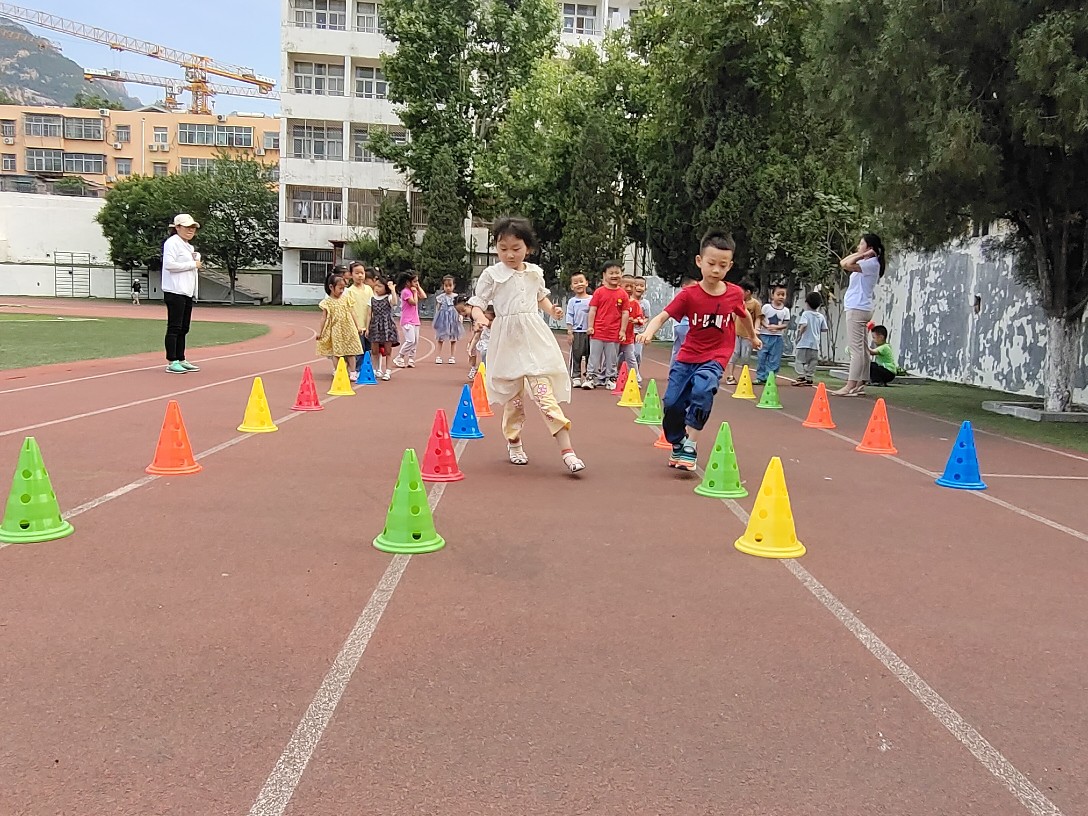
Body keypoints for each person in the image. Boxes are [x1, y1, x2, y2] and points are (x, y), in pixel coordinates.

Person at [468, 216, 585, 474]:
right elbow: (477, 303)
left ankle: (567, 451)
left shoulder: (534, 273)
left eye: (516, 248)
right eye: (503, 248)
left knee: (545, 396)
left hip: (533, 339)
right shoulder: (492, 275)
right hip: (506, 342)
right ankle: (514, 442)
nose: (509, 254)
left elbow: (541, 297)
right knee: (514, 402)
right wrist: (479, 317)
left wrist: (552, 310)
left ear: (528, 248)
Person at [637, 229, 760, 471]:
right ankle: (678, 442)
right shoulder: (689, 295)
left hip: (716, 355)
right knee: (672, 404)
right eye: (711, 263)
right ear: (699, 261)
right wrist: (648, 333)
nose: (716, 270)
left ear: (730, 266)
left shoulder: (734, 293)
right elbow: (662, 316)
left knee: (704, 390)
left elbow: (744, 314)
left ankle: (691, 444)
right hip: (688, 356)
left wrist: (753, 336)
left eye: (722, 265)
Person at [835, 233, 887, 396]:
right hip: (861, 307)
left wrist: (862, 255)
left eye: (861, 244)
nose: (858, 246)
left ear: (869, 248)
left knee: (856, 349)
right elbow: (843, 262)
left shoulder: (870, 263)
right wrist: (862, 254)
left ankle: (850, 385)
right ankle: (860, 383)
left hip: (857, 308)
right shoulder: (868, 262)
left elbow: (845, 264)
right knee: (862, 348)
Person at [162, 213, 203, 374]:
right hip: (174, 290)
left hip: (186, 291)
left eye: (193, 227)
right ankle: (172, 361)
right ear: (177, 227)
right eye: (187, 227)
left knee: (184, 327)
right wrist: (192, 264)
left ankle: (181, 358)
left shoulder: (188, 246)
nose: (190, 230)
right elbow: (169, 265)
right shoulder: (172, 243)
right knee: (175, 326)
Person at [584, 261, 629, 390]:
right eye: (611, 273)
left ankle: (611, 378)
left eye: (617, 273)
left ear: (621, 274)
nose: (614, 276)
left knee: (612, 358)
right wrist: (590, 326)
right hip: (598, 331)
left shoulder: (623, 294)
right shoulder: (599, 292)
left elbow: (625, 313)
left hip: (614, 332)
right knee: (594, 356)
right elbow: (593, 310)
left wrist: (622, 331)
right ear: (604, 275)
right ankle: (590, 377)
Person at [315, 272, 363, 373]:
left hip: (348, 329)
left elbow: (352, 313)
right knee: (336, 353)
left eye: (343, 288)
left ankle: (353, 372)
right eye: (340, 288)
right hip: (336, 330)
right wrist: (320, 332)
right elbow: (324, 318)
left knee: (351, 351)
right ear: (331, 287)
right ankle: (338, 371)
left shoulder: (346, 299)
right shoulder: (327, 302)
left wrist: (357, 326)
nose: (342, 291)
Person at [726, 280, 760, 384]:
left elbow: (758, 318)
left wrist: (755, 330)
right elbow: (733, 316)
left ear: (748, 292)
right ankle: (730, 376)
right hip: (736, 333)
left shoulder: (755, 304)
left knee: (745, 357)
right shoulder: (738, 302)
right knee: (734, 354)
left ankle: (743, 377)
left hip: (748, 335)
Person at [754, 284, 790, 384]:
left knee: (775, 358)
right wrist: (767, 326)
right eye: (778, 294)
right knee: (762, 357)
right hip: (764, 336)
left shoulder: (786, 310)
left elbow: (785, 324)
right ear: (772, 295)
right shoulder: (766, 307)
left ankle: (770, 377)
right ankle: (760, 377)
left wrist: (776, 327)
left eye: (783, 295)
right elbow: (760, 318)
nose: (781, 297)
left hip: (777, 337)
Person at [792, 291, 828, 386]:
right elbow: (825, 329)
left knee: (799, 360)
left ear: (807, 303)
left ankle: (801, 376)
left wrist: (799, 335)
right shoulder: (820, 316)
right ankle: (809, 377)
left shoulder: (806, 314)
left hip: (804, 343)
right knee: (813, 361)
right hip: (815, 344)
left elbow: (804, 325)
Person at [367, 276, 399, 380]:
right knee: (374, 350)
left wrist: (393, 290)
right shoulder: (372, 299)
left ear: (385, 288)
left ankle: (388, 371)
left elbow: (395, 302)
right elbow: (369, 314)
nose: (377, 288)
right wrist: (367, 328)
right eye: (376, 286)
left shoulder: (388, 297)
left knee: (387, 350)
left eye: (380, 286)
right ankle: (375, 369)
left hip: (387, 325)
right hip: (375, 325)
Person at [346, 262, 374, 375]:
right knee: (358, 349)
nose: (360, 275)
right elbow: (350, 310)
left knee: (369, 349)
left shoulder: (368, 289)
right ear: (351, 274)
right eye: (357, 273)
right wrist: (356, 325)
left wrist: (370, 324)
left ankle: (366, 369)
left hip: (368, 325)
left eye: (362, 273)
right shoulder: (349, 291)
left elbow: (371, 307)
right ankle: (357, 370)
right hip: (356, 326)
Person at [564, 273, 592, 387]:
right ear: (572, 287)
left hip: (590, 332)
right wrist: (570, 332)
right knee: (576, 355)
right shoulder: (572, 301)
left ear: (586, 283)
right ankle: (576, 376)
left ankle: (589, 376)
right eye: (575, 283)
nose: (579, 284)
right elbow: (569, 316)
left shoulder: (592, 299)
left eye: (581, 281)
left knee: (591, 355)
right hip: (577, 332)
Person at [394, 271, 426, 368]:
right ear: (408, 282)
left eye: (417, 281)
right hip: (407, 320)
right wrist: (415, 292)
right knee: (410, 340)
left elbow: (424, 296)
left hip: (415, 320)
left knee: (415, 341)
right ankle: (399, 357)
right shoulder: (405, 292)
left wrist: (418, 288)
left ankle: (411, 358)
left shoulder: (413, 290)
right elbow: (413, 302)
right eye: (415, 281)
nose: (416, 283)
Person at [620, 277, 647, 384]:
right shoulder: (617, 301)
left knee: (633, 356)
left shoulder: (635, 304)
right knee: (612, 357)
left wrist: (634, 320)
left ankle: (636, 377)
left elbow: (642, 318)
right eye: (626, 286)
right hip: (615, 335)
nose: (629, 289)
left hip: (631, 335)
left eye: (631, 286)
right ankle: (610, 375)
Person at [433, 275, 464, 364]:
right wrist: (436, 318)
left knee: (453, 338)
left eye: (450, 285)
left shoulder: (456, 297)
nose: (448, 288)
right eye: (446, 286)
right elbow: (438, 308)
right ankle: (438, 356)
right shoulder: (441, 297)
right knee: (440, 338)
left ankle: (452, 356)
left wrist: (460, 315)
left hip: (453, 319)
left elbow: (459, 307)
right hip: (443, 319)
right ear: (443, 286)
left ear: (454, 286)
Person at [670, 275, 699, 366]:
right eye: (693, 286)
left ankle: (673, 369)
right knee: (688, 349)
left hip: (678, 325)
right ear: (684, 286)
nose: (696, 288)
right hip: (685, 325)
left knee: (677, 349)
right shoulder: (685, 297)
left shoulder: (681, 296)